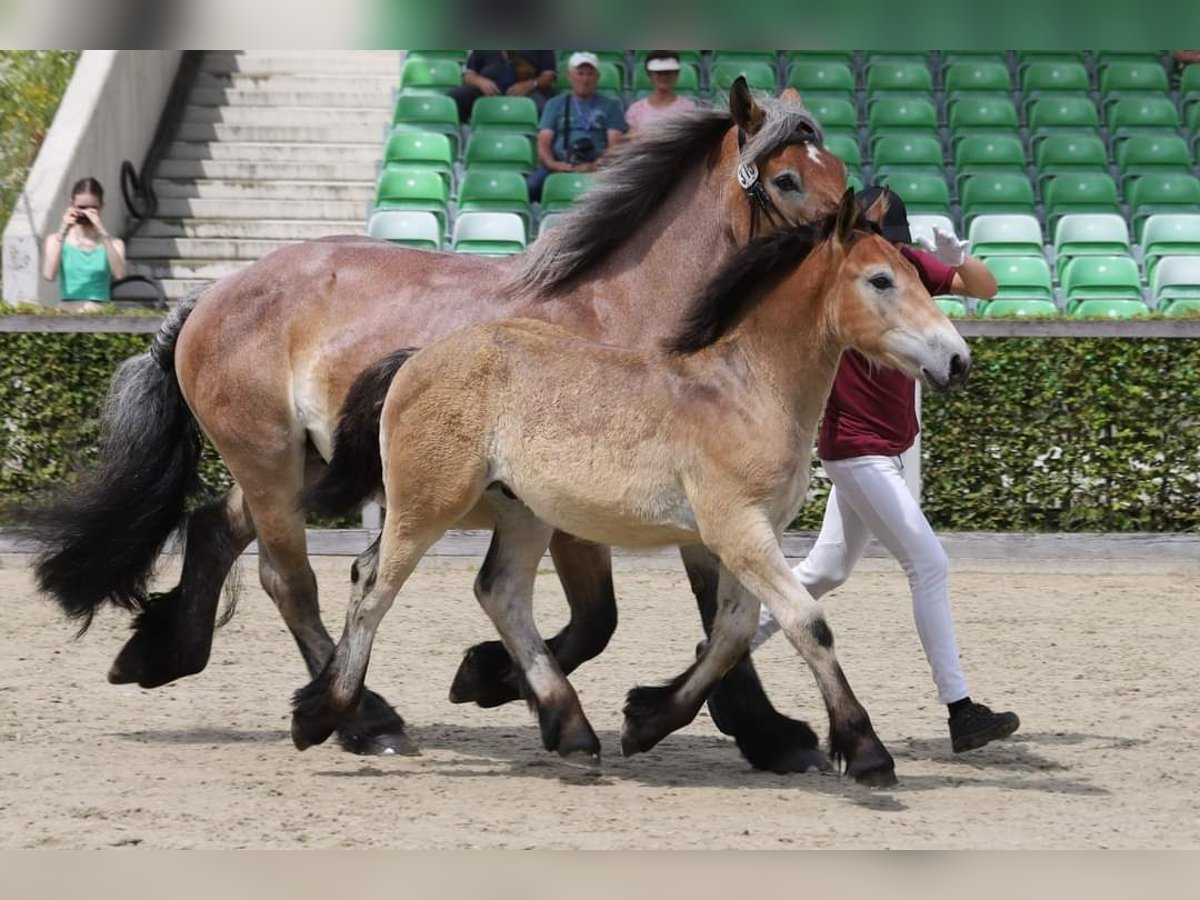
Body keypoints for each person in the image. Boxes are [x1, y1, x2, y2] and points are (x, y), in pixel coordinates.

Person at [719, 186, 1020, 755]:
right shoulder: (843, 280)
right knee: (928, 563)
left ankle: (721, 656)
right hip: (857, 448)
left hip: (899, 445)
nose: (895, 258)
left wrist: (958, 261)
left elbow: (985, 288)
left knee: (825, 570)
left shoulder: (897, 265)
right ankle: (960, 710)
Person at [527, 51, 627, 203]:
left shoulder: (611, 105)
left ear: (597, 77)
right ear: (570, 76)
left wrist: (594, 165)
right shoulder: (554, 104)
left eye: (590, 74)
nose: (585, 79)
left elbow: (615, 146)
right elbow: (543, 141)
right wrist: (553, 164)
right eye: (580, 73)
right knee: (531, 186)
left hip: (598, 164)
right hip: (560, 162)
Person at [41, 176, 126, 312]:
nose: (86, 214)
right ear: (72, 205)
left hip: (100, 315)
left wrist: (101, 231)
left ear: (101, 207)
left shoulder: (115, 244)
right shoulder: (56, 240)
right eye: (81, 208)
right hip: (66, 313)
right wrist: (63, 231)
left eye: (93, 209)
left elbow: (119, 274)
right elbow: (49, 275)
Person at [448, 50, 558, 123]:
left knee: (542, 106)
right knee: (456, 97)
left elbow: (549, 76)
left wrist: (530, 85)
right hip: (488, 90)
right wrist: (481, 82)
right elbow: (468, 75)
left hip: (527, 90)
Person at [624, 51, 697, 135]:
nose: (664, 77)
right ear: (649, 75)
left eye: (669, 72)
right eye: (659, 73)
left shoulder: (689, 109)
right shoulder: (636, 109)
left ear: (677, 74)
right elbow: (633, 142)